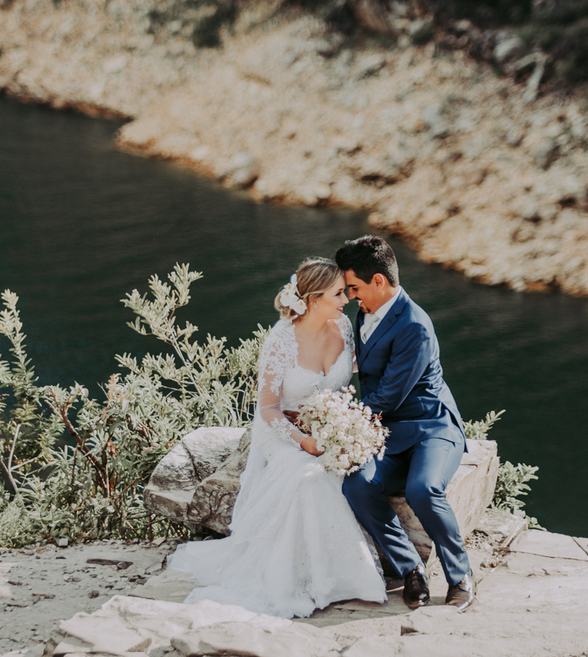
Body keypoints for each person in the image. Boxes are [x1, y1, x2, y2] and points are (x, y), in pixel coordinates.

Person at [167, 258, 388, 618]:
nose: (346, 299)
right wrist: (304, 441)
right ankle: (307, 580)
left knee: (329, 474)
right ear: (315, 299)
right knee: (309, 479)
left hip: (328, 427)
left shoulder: (344, 326)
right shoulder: (282, 339)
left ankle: (338, 577)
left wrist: (343, 422)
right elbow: (268, 409)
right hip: (283, 431)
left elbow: (355, 371)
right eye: (338, 293)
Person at [334, 235, 475, 611]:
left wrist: (336, 417)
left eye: (355, 288)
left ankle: (460, 575)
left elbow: (387, 396)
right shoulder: (366, 312)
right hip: (388, 433)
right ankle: (411, 567)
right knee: (358, 486)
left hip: (431, 428)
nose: (350, 297)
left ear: (379, 281)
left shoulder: (415, 325)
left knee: (423, 489)